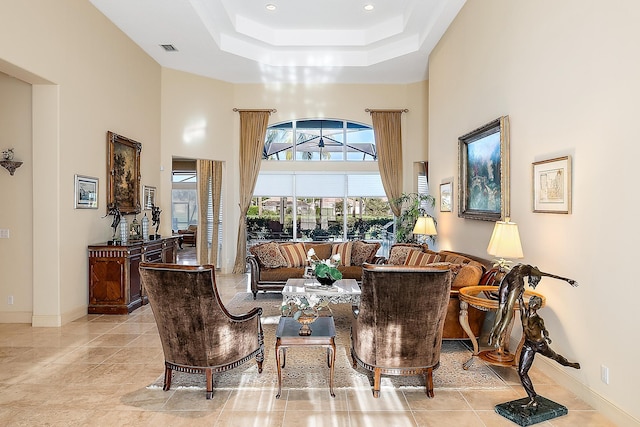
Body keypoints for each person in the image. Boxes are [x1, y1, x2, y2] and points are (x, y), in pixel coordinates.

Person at [488, 264, 577, 348]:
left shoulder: (520, 266)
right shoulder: (533, 271)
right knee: (509, 308)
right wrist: (567, 280)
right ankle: (498, 335)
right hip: (516, 281)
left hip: (508, 277)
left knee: (502, 307)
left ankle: (493, 333)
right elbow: (548, 275)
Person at [518, 295, 580, 408]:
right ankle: (533, 398)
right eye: (532, 301)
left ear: (537, 306)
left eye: (535, 303)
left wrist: (547, 337)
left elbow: (544, 330)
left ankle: (568, 363)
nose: (532, 304)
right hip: (528, 345)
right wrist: (519, 292)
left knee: (555, 357)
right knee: (522, 372)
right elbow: (520, 300)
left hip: (540, 345)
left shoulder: (538, 319)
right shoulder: (523, 313)